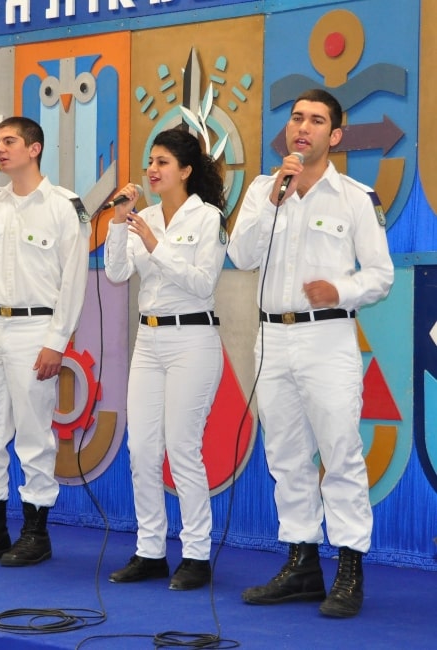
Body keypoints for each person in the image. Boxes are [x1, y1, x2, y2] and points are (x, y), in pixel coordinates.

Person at [227, 89, 394, 617]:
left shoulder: (355, 198)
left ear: (335, 135)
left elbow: (381, 276)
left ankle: (349, 569)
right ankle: (301, 564)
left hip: (327, 339)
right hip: (272, 338)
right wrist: (274, 196)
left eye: (317, 120)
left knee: (340, 453)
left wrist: (339, 291)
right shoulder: (262, 188)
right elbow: (239, 254)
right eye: (297, 117)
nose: (303, 127)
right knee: (287, 457)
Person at [0, 116, 90, 567]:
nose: (0, 149)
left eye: (9, 141)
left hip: (35, 328)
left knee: (32, 432)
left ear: (35, 148)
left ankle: (35, 530)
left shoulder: (63, 205)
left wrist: (57, 341)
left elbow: (74, 280)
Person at [104, 127, 227, 590]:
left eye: (162, 163)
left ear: (186, 170)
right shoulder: (143, 217)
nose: (152, 171)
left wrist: (156, 245)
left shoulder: (208, 218)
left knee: (182, 447)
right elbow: (117, 272)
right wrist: (120, 222)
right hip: (149, 341)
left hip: (192, 339)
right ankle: (150, 549)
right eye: (150, 161)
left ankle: (196, 554)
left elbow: (201, 284)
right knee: (142, 449)